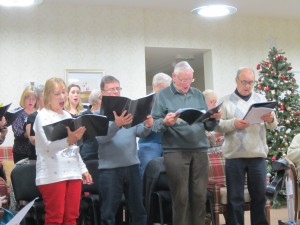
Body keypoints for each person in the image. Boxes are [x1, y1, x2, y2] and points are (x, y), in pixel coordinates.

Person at [151, 61, 221, 225]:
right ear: (174, 77)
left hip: (200, 149)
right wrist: (165, 122)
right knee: (181, 197)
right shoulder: (163, 95)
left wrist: (213, 118)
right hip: (175, 151)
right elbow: (154, 124)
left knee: (199, 196)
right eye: (183, 80)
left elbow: (207, 124)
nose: (186, 84)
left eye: (190, 80)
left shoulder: (197, 94)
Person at [215, 67, 278, 225]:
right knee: (235, 198)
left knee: (259, 197)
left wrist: (270, 119)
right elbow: (216, 126)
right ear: (236, 81)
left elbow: (273, 125)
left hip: (257, 156)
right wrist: (233, 123)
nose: (247, 86)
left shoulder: (261, 98)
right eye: (244, 82)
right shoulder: (225, 101)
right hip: (234, 157)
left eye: (251, 82)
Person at [34, 77, 92, 225]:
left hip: (72, 173)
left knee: (72, 217)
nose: (62, 96)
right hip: (52, 174)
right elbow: (48, 147)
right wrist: (68, 140)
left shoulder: (66, 115)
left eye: (63, 92)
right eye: (57, 93)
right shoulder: (42, 116)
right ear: (48, 96)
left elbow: (74, 149)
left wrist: (83, 169)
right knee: (55, 218)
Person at [96, 75, 153, 225]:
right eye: (111, 89)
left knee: (138, 211)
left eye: (117, 89)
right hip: (109, 170)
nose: (115, 92)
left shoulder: (129, 111)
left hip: (132, 166)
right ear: (102, 93)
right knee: (108, 213)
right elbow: (101, 139)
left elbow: (141, 132)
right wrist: (116, 124)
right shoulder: (97, 115)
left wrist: (148, 125)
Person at [138, 72, 172, 177]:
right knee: (147, 174)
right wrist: (147, 124)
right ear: (154, 86)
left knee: (168, 176)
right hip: (149, 144)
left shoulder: (170, 101)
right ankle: (144, 194)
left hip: (169, 144)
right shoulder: (143, 103)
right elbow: (139, 129)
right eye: (162, 88)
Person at [12, 85, 38, 163]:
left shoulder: (40, 113)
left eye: (33, 98)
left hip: (36, 152)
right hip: (20, 152)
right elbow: (18, 132)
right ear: (23, 99)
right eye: (28, 98)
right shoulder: (17, 112)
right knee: (21, 174)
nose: (31, 101)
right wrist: (31, 134)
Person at [80, 89, 102, 161]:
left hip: (102, 155)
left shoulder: (105, 115)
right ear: (95, 100)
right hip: (88, 154)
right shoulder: (84, 115)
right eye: (102, 98)